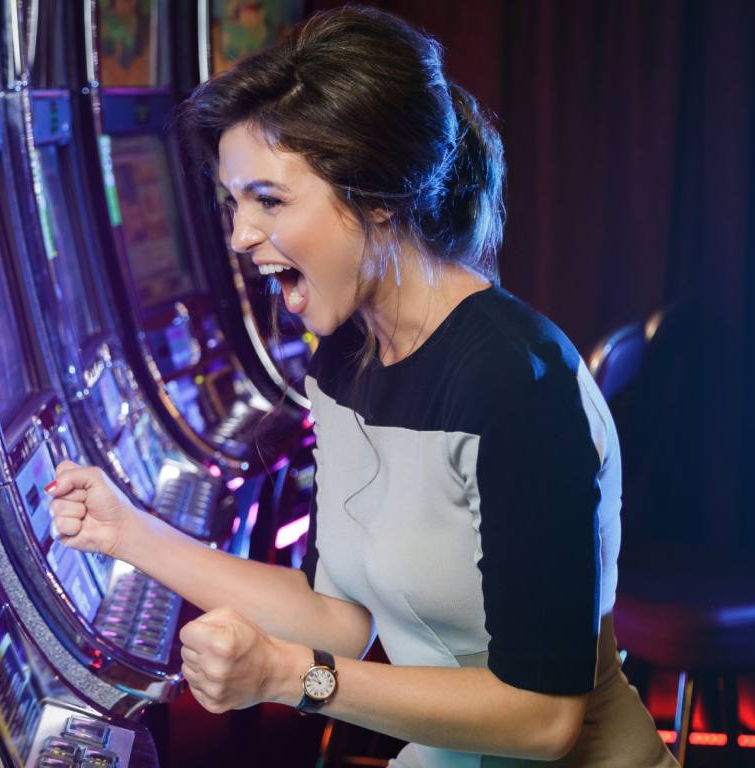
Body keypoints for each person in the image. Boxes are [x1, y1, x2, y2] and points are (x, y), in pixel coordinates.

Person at [47, 7, 678, 766]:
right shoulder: (345, 358)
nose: (240, 235)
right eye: (232, 203)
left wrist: (291, 678)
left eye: (269, 200)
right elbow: (339, 619)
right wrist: (129, 533)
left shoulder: (515, 381)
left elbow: (543, 718)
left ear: (379, 195)